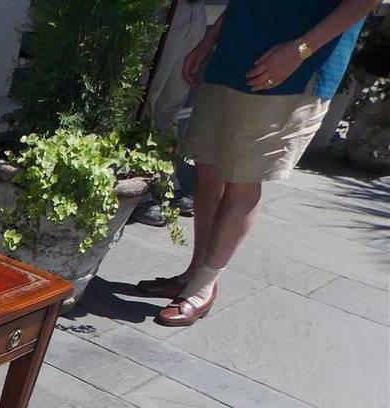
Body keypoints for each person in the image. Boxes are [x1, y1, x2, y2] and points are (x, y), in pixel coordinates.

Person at [135, 0, 377, 326]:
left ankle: (203, 288)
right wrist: (209, 40)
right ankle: (193, 273)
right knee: (207, 168)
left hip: (291, 68)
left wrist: (300, 49)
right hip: (234, 52)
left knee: (242, 179)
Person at [132, 0, 208, 226]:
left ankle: (164, 181)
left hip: (195, 8)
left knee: (173, 103)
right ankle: (138, 189)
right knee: (144, 100)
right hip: (164, 8)